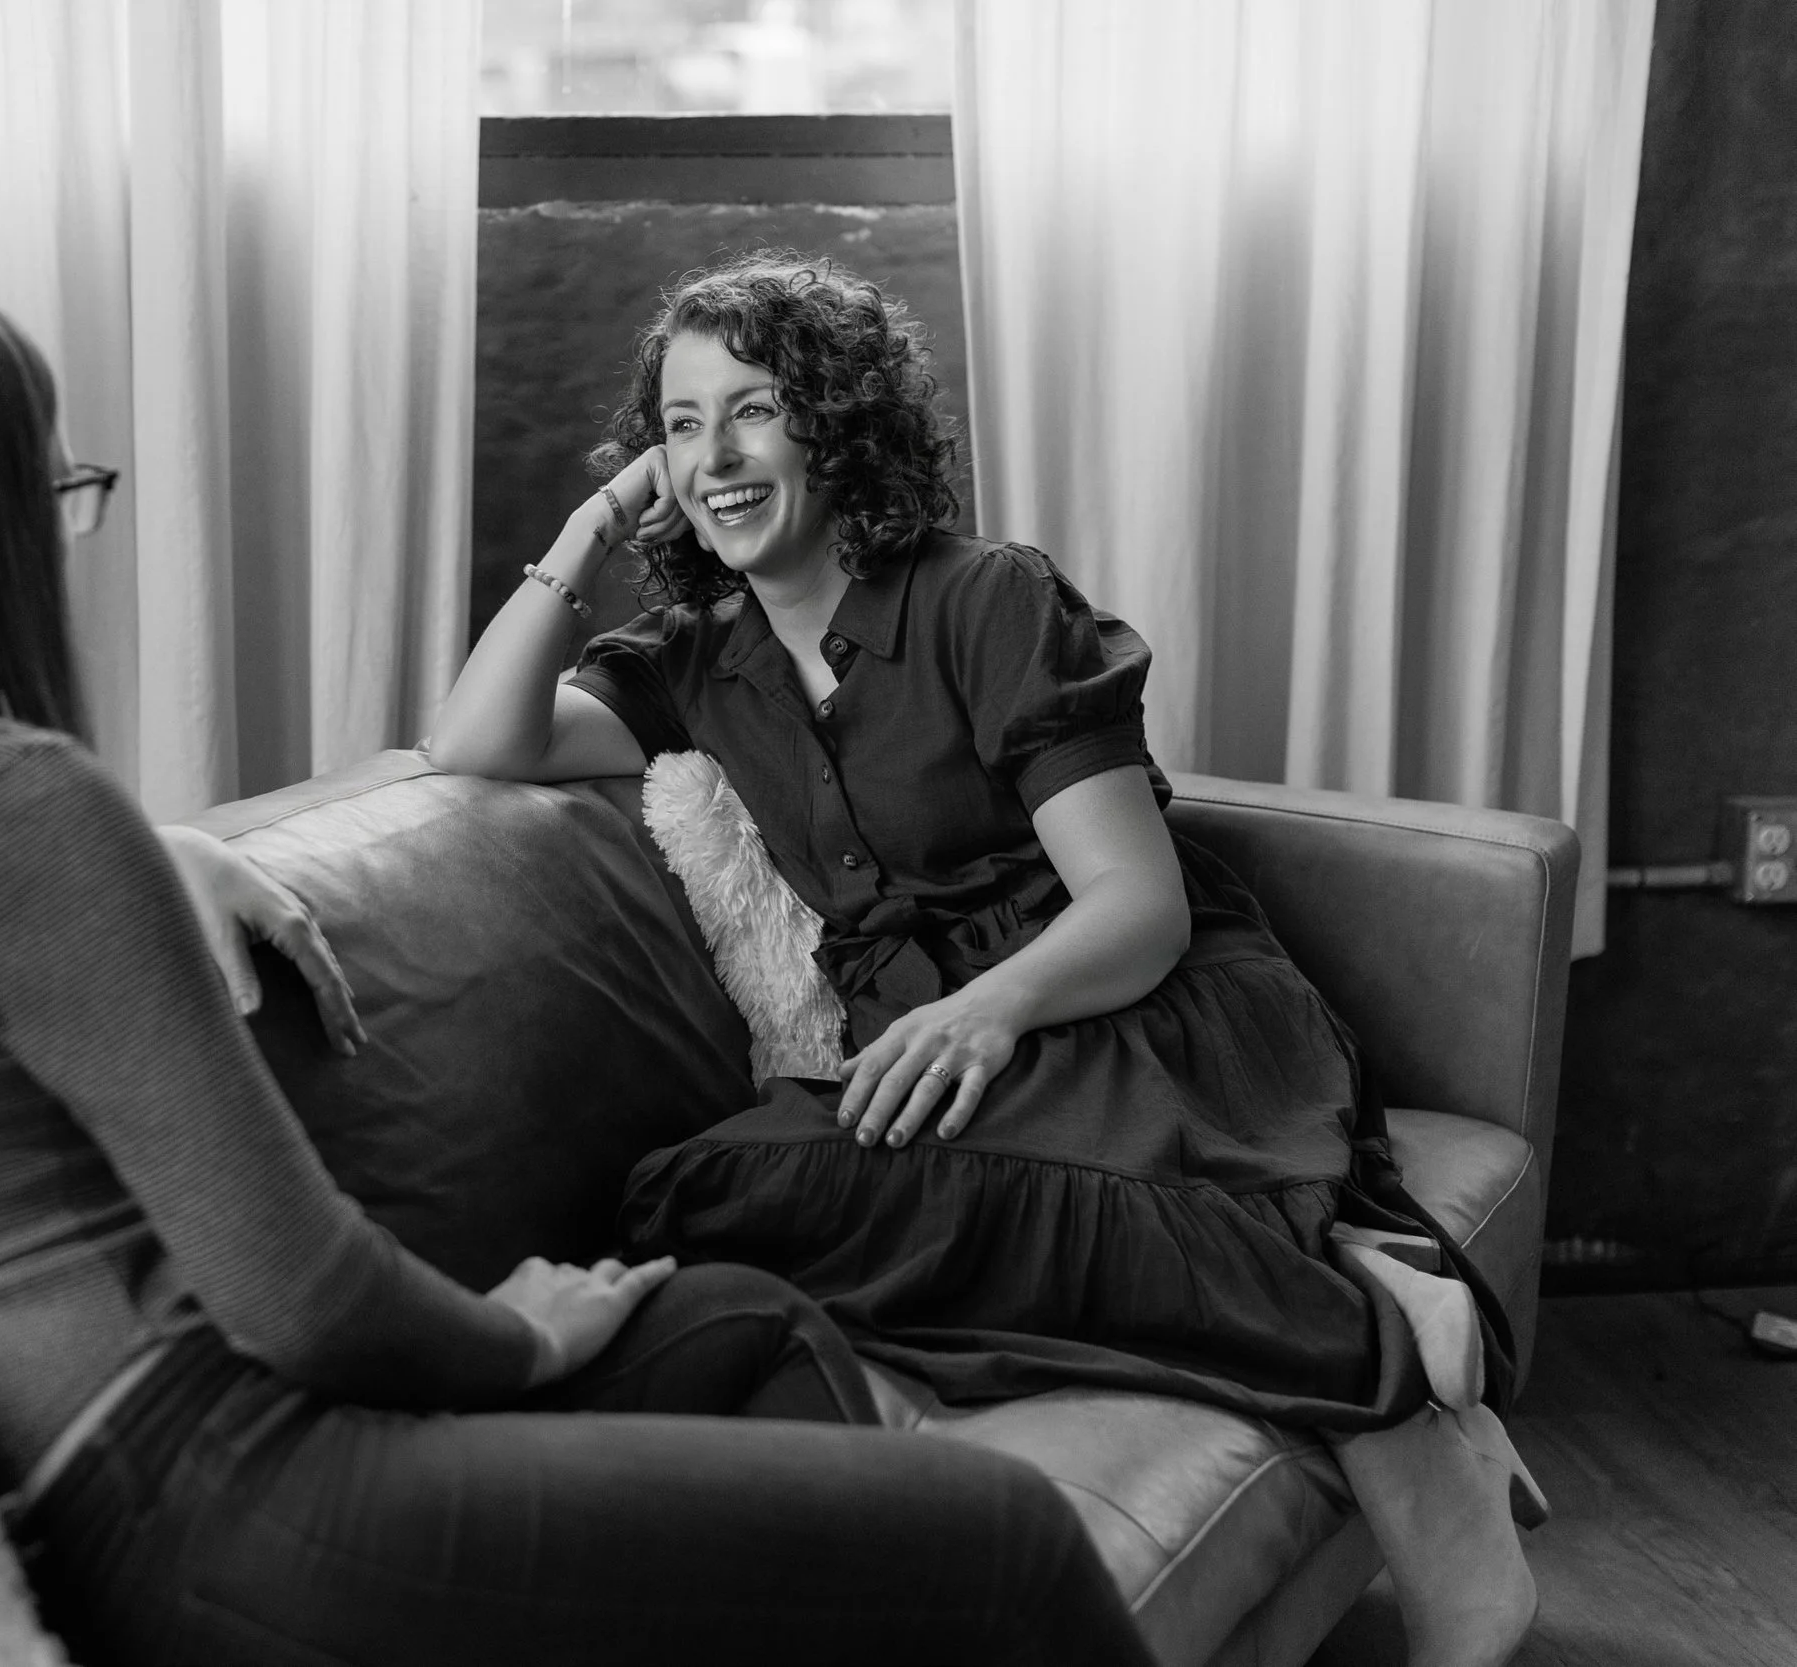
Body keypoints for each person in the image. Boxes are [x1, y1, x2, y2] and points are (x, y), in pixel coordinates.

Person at [0, 289, 1154, 1667]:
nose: (69, 533)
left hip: (66, 1478)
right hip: (206, 1491)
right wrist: (524, 1334)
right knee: (1001, 1539)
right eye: (60, 492)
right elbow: (307, 1298)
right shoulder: (3, 810)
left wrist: (155, 847)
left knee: (729, 1312)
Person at [428, 253, 1545, 1667]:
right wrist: (592, 525)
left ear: (835, 423)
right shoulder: (691, 662)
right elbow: (476, 741)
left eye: (754, 409)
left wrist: (983, 1012)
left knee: (959, 1207)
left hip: (1122, 1004)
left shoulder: (986, 598)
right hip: (937, 1063)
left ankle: (1405, 1416)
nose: (713, 457)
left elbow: (1135, 904)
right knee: (695, 1201)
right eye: (680, 423)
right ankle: (1363, 1283)